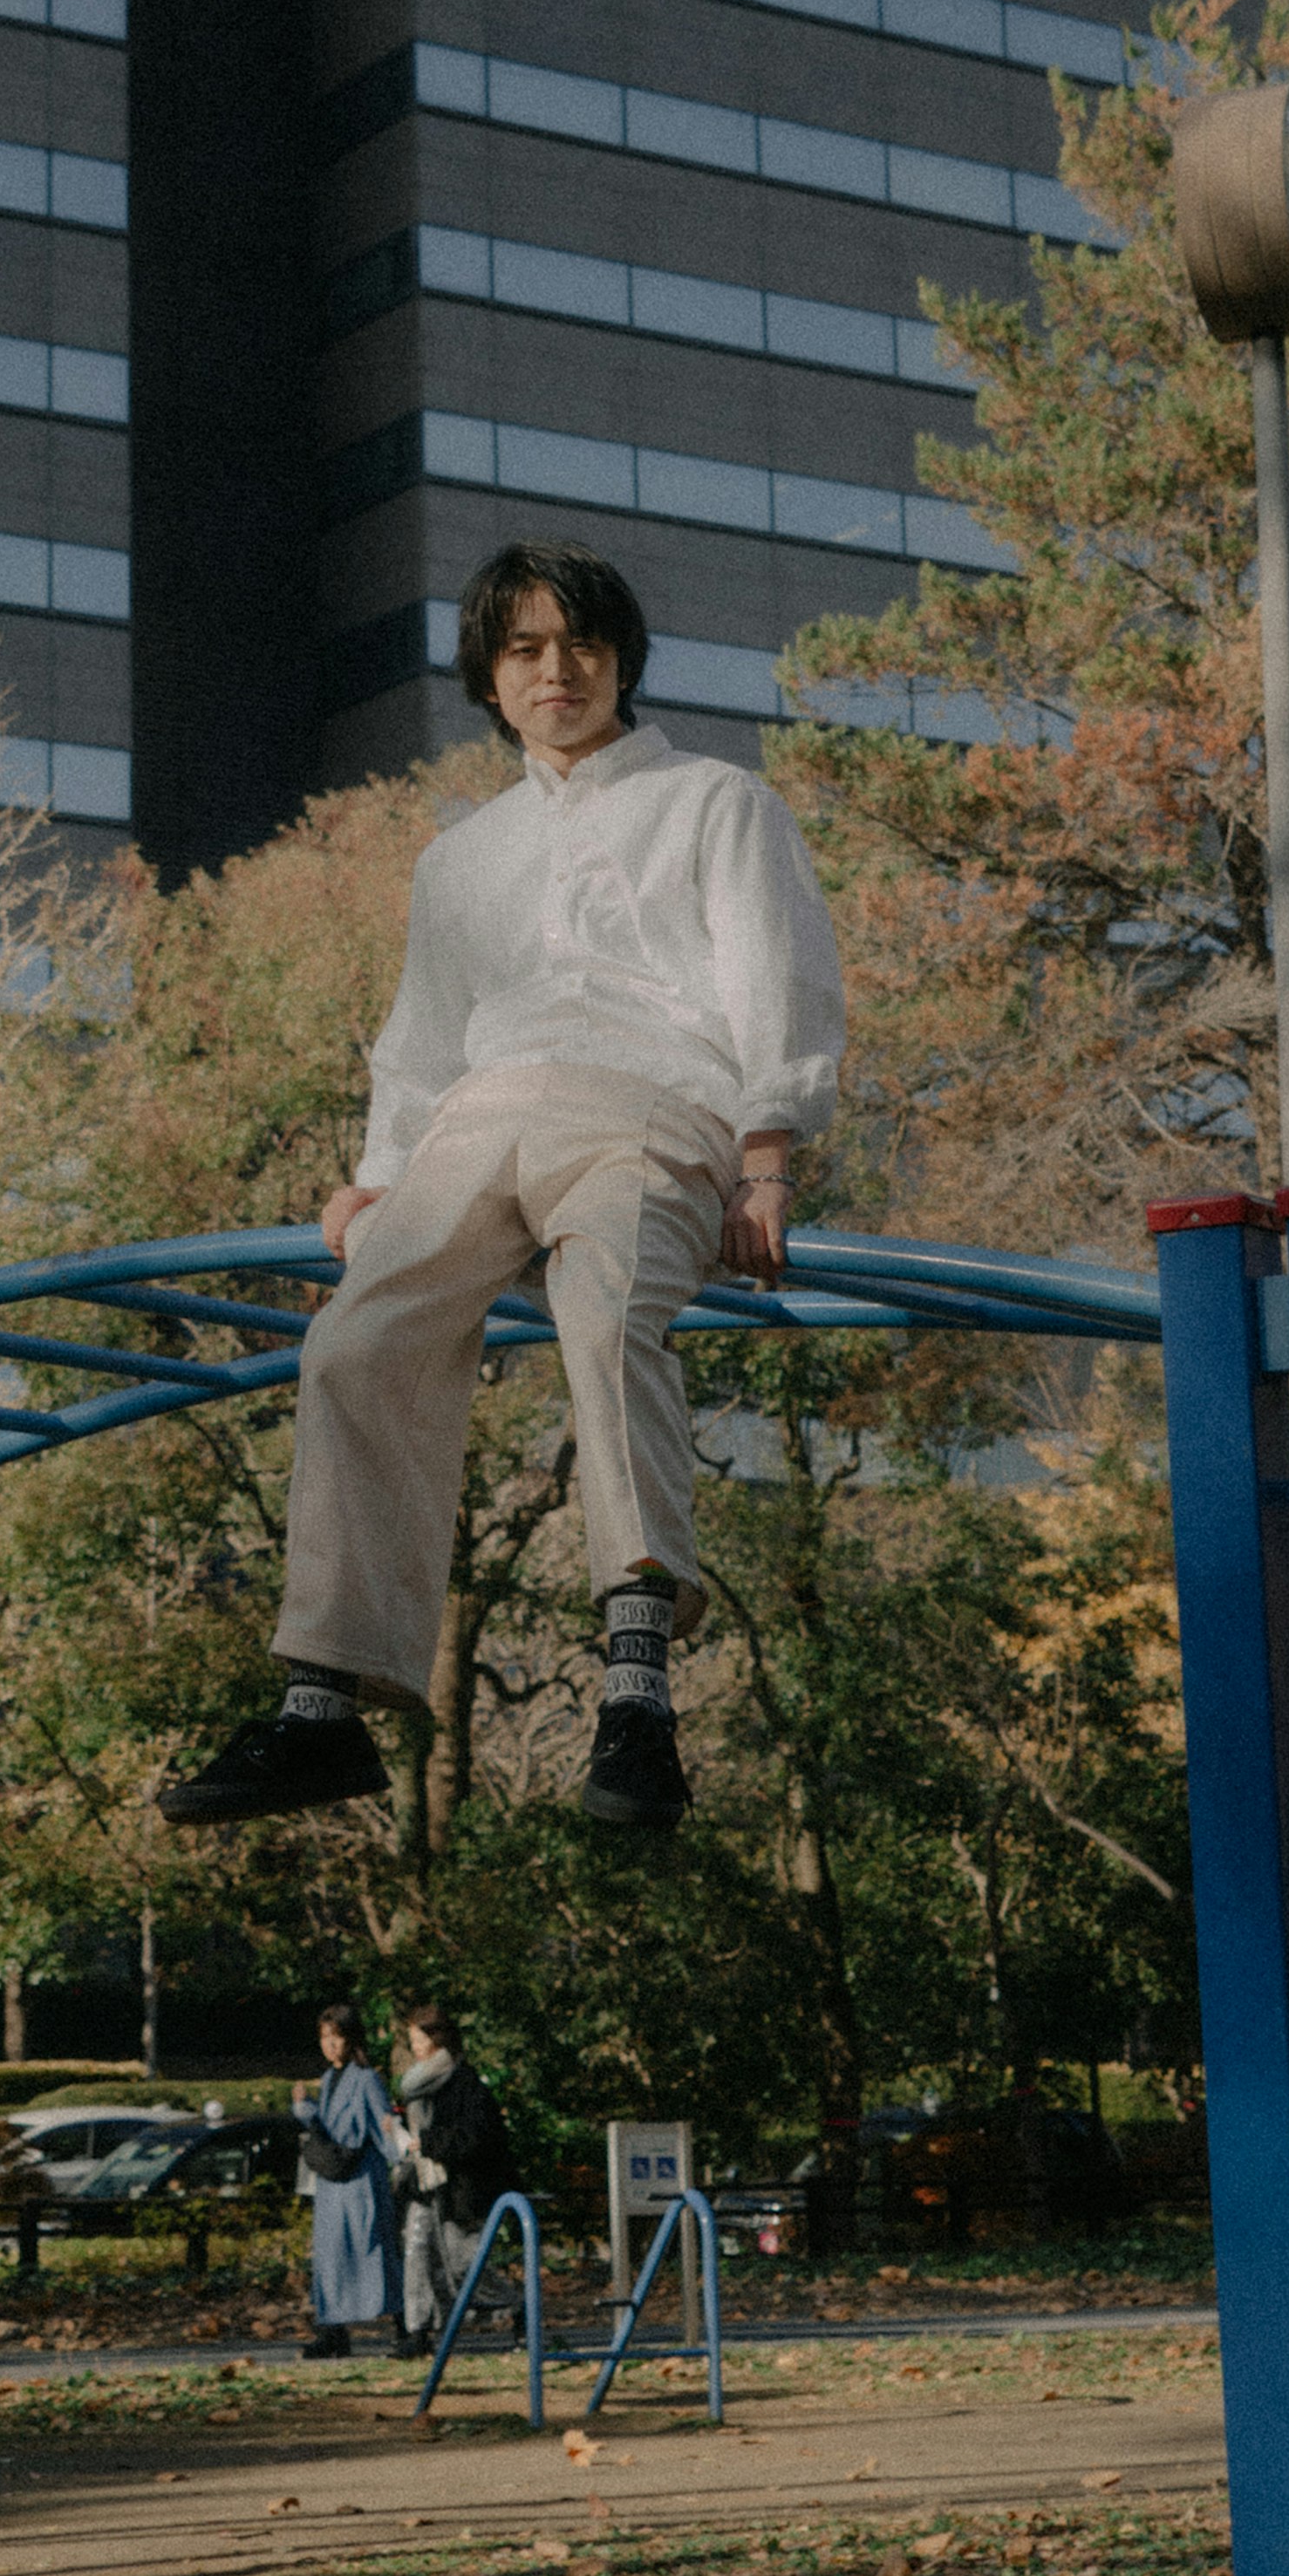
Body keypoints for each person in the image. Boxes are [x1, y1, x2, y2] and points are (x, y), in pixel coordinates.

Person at [159, 543, 844, 1843]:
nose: (556, 669)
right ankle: (326, 1706)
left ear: (622, 659)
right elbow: (419, 1043)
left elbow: (775, 975)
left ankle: (636, 1685)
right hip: (478, 1117)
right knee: (356, 1336)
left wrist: (768, 1149)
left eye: (580, 642)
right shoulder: (459, 857)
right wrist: (374, 1184)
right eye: (525, 649)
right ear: (488, 677)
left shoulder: (716, 801)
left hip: (652, 1107)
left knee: (603, 1307)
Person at [392, 2006, 518, 2357]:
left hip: (459, 2186)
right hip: (424, 2181)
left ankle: (516, 2305)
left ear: (437, 2040)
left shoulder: (465, 2083)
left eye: (419, 2039)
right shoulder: (416, 2085)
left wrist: (430, 2142)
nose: (415, 2046)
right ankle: (419, 2331)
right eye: (412, 2039)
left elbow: (476, 2137)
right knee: (417, 2252)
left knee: (464, 2264)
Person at [291, 2003, 395, 2357]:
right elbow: (326, 2124)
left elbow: (385, 2128)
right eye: (325, 2038)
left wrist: (405, 2154)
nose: (330, 2045)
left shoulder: (366, 2078)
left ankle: (404, 2326)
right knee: (331, 2256)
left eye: (337, 2037)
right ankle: (333, 2330)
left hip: (361, 2179)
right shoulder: (328, 2079)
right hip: (333, 2180)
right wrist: (305, 2111)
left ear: (352, 2039)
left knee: (372, 2250)